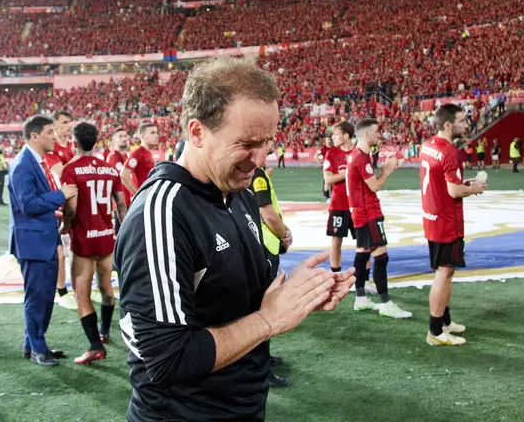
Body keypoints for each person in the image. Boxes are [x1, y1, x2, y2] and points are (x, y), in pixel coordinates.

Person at [115, 58, 354, 421]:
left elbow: (232, 295)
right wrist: (268, 321)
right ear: (196, 132)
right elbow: (167, 358)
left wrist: (298, 293)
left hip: (243, 406)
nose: (259, 159)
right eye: (246, 143)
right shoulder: (163, 213)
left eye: (268, 142)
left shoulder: (236, 191)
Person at [8, 115, 78, 366]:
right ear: (35, 136)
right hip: (33, 243)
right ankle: (38, 348)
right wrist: (61, 195)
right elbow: (28, 205)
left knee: (45, 296)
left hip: (43, 239)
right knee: (37, 297)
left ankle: (33, 343)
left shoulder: (35, 162)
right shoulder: (22, 165)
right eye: (50, 132)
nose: (55, 136)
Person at [61, 122, 128, 364]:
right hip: (106, 237)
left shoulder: (71, 170)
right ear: (96, 141)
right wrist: (126, 230)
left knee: (82, 294)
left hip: (84, 241)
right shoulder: (110, 169)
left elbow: (71, 208)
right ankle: (106, 332)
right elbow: (121, 205)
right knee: (107, 287)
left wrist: (64, 226)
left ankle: (94, 346)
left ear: (74, 142)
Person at [420, 104, 486, 346]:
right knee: (444, 272)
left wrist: (463, 183)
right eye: (461, 120)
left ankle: (444, 321)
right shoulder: (450, 152)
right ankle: (435, 331)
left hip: (432, 217)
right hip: (447, 221)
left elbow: (441, 181)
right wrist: (473, 188)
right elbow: (453, 190)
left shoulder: (429, 145)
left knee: (445, 271)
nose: (466, 124)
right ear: (448, 124)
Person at [346, 118, 412, 318]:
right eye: (376, 131)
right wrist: (388, 171)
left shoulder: (357, 155)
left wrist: (384, 170)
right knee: (381, 257)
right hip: (368, 213)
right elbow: (374, 186)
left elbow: (368, 181)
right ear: (366, 134)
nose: (378, 135)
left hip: (359, 211)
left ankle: (360, 298)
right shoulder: (360, 156)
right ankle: (386, 303)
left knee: (362, 253)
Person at [249, 160, 293, 388]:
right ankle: (259, 368)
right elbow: (267, 212)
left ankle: (262, 359)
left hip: (258, 245)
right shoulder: (257, 174)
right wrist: (284, 234)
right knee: (263, 310)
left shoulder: (253, 173)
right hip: (266, 246)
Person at [44, 111, 77, 310]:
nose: (68, 125)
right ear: (54, 127)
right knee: (60, 254)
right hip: (57, 207)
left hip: (73, 204)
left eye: (69, 121)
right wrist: (84, 159)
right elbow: (61, 172)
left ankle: (74, 289)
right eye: (64, 122)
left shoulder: (71, 147)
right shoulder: (52, 149)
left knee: (75, 251)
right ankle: (61, 291)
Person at [324, 122, 356, 273]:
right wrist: (348, 172)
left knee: (364, 242)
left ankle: (364, 278)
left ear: (346, 136)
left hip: (357, 204)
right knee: (336, 240)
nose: (333, 137)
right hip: (338, 204)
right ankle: (335, 274)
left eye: (336, 134)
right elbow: (328, 179)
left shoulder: (359, 152)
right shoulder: (331, 153)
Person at [120, 123, 158, 201]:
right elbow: (124, 175)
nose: (156, 135)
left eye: (156, 132)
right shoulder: (138, 153)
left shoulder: (148, 153)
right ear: (142, 136)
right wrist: (138, 194)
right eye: (152, 133)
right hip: (143, 200)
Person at [105, 127, 132, 234]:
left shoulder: (125, 155)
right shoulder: (113, 156)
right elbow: (122, 177)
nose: (124, 138)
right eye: (120, 136)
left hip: (127, 201)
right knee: (122, 233)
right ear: (113, 140)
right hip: (120, 204)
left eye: (125, 136)